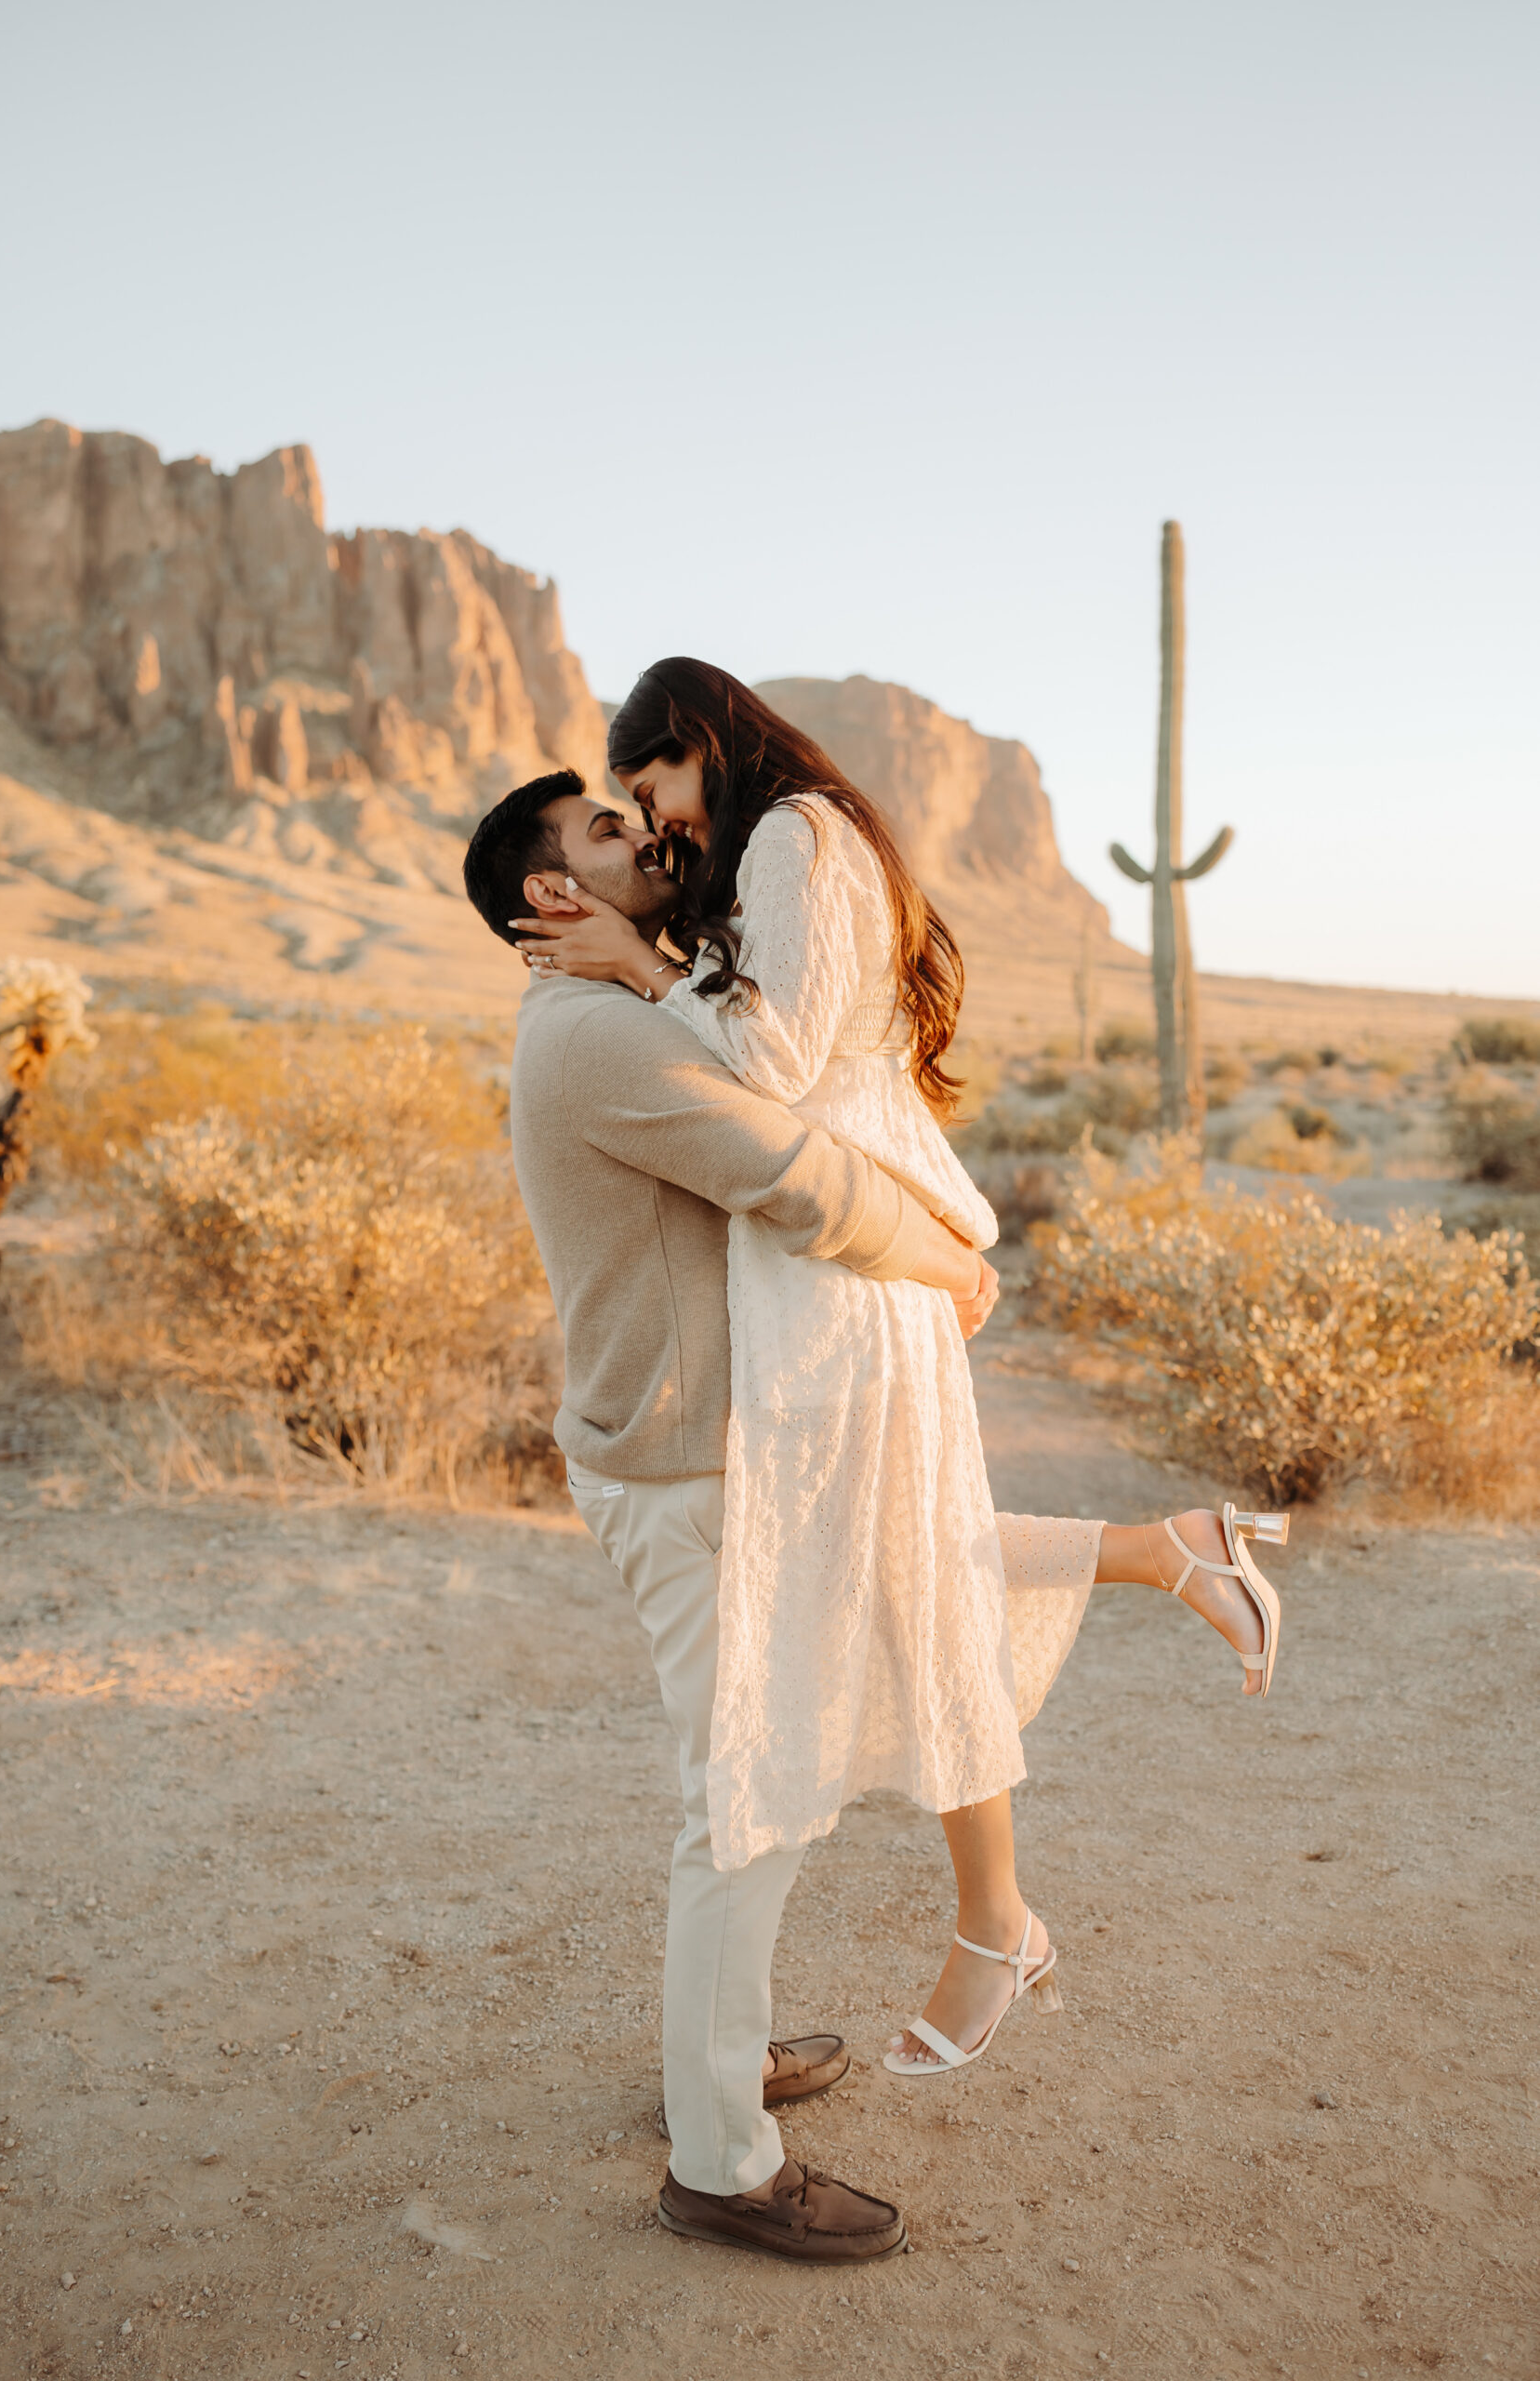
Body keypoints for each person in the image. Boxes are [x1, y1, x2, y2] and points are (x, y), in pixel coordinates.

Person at [508, 661, 1286, 2095]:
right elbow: (774, 1068)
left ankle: (993, 1917)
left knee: (897, 1566)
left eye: (651, 786)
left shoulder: (798, 836)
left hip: (852, 1261)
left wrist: (640, 973)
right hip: (831, 1260)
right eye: (624, 816)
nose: (654, 819)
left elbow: (774, 1059)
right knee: (895, 1561)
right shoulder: (778, 849)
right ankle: (1158, 1570)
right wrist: (650, 970)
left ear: (701, 745)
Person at [465, 769, 1000, 2262]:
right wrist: (946, 1255)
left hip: (698, 1455)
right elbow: (796, 1175)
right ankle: (721, 2159)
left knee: (749, 1783)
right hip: (689, 1468)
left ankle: (722, 2057)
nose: (649, 837)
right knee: (748, 1806)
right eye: (608, 834)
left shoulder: (626, 1011)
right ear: (553, 896)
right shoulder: (593, 1040)